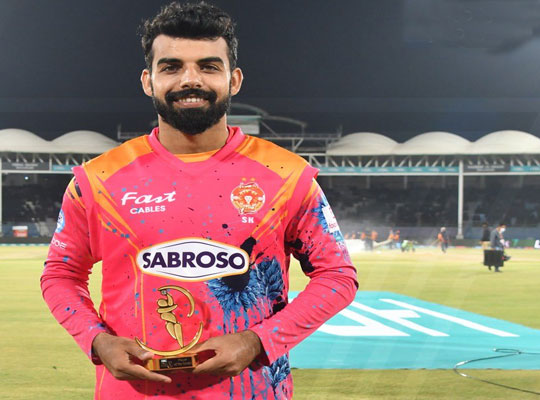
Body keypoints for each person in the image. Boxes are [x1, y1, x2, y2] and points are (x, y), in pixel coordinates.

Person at [40, 3, 358, 399]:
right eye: (171, 67)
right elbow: (60, 275)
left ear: (234, 79)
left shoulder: (287, 176)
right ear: (147, 80)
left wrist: (257, 341)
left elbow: (338, 277)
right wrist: (96, 339)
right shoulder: (98, 180)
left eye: (208, 66)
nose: (190, 79)